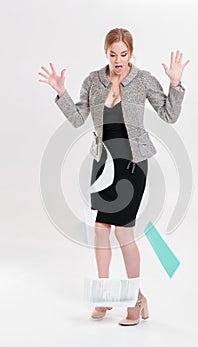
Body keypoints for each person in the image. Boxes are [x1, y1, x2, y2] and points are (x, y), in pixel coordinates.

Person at [38, 27, 189, 326]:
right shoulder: (93, 81)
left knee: (123, 231)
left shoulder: (143, 79)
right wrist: (61, 93)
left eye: (123, 54)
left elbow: (170, 115)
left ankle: (135, 299)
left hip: (133, 163)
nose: (118, 60)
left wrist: (176, 84)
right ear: (105, 53)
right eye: (112, 54)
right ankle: (104, 297)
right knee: (100, 229)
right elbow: (79, 118)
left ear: (131, 54)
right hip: (104, 164)